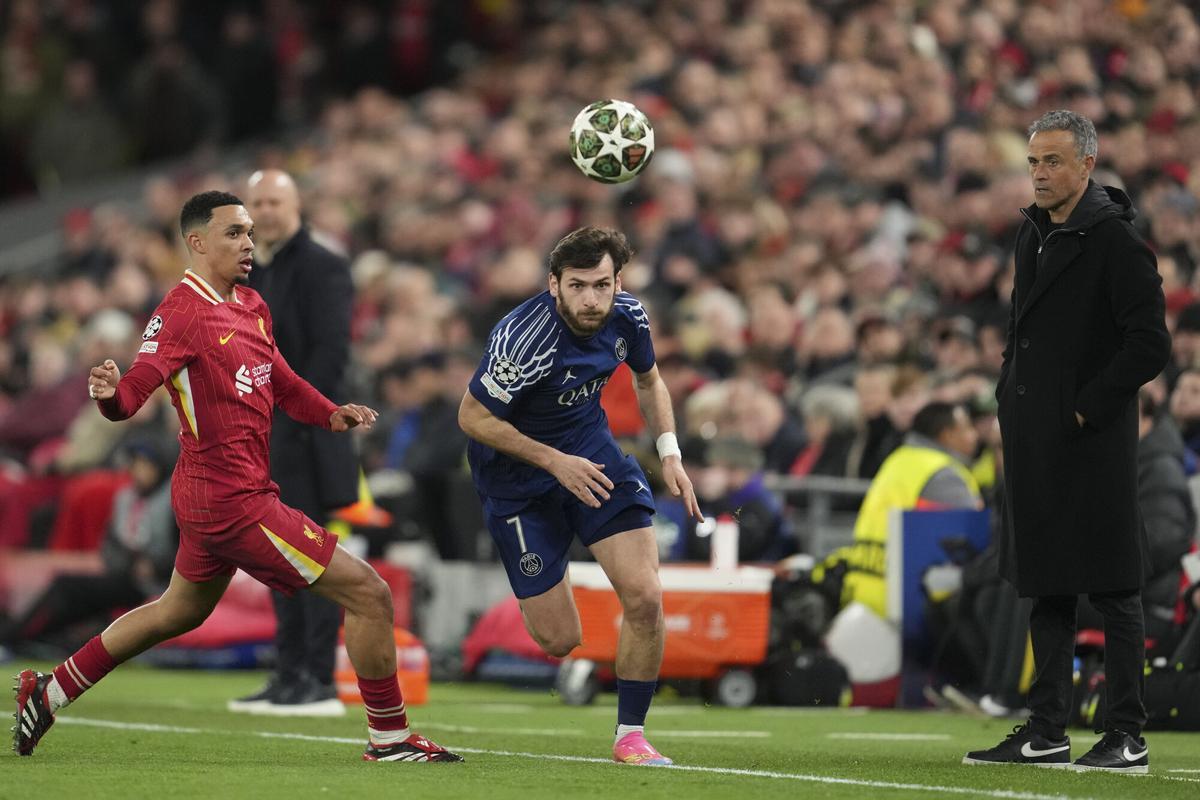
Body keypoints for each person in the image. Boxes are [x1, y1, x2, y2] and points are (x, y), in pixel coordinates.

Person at [13, 191, 460, 763]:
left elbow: (280, 379)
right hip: (229, 497)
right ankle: (391, 739)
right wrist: (108, 397)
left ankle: (47, 693)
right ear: (197, 242)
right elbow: (134, 394)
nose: (248, 243)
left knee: (176, 612)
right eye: (233, 233)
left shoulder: (251, 303)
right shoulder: (178, 312)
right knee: (368, 593)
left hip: (222, 492)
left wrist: (330, 411)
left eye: (249, 232)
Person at [963, 110, 1170, 772]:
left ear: (1087, 164)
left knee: (1114, 589)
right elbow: (1022, 331)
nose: (1040, 174)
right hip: (1034, 437)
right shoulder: (1034, 234)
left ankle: (1126, 733)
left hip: (1091, 442)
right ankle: (1048, 727)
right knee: (1045, 584)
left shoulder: (1116, 242)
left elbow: (1150, 344)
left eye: (1052, 162)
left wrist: (1084, 410)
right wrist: (1010, 397)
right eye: (1032, 162)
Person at [457, 226, 701, 766]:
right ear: (554, 284)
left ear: (618, 282)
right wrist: (551, 461)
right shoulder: (523, 339)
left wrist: (670, 453)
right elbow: (471, 417)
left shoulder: (628, 316)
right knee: (558, 639)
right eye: (578, 286)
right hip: (517, 481)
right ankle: (552, 564)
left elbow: (650, 380)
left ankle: (630, 735)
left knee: (645, 597)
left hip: (592, 459)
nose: (591, 299)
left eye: (602, 285)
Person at [228, 169, 358, 717]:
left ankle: (318, 679)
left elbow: (331, 355)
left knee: (315, 558)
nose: (267, 210)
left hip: (307, 437)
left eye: (275, 201)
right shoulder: (258, 272)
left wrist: (291, 412)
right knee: (277, 558)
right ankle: (288, 674)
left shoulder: (324, 267)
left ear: (297, 204)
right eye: (257, 203)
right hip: (268, 438)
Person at [0, 436, 177, 652]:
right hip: (125, 576)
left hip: (160, 582)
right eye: (135, 464)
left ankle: (12, 637)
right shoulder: (125, 498)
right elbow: (109, 547)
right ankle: (26, 637)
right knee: (73, 592)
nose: (138, 471)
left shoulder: (173, 499)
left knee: (69, 588)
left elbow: (183, 548)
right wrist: (128, 563)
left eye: (145, 464)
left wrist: (155, 565)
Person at [828, 401, 982, 619]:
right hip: (906, 600)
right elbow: (968, 545)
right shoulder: (945, 476)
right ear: (947, 435)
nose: (974, 436)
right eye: (967, 428)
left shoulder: (897, 459)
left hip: (864, 588)